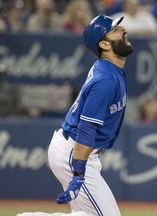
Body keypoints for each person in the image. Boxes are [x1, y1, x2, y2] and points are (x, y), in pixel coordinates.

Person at [17, 14, 133, 216]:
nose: (122, 30)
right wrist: (78, 174)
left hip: (76, 150)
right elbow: (86, 129)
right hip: (75, 152)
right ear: (104, 45)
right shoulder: (105, 79)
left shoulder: (111, 69)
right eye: (115, 30)